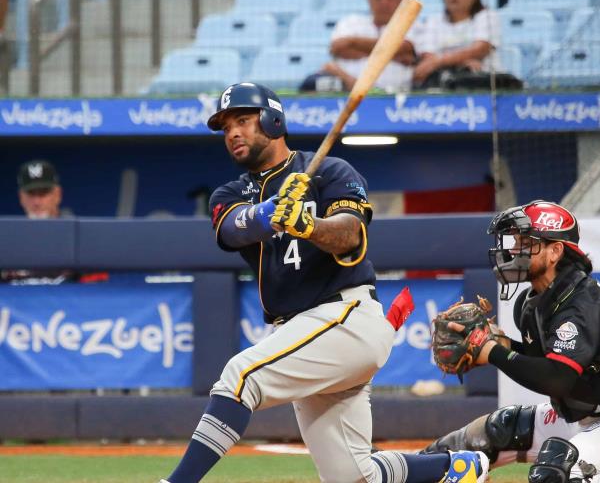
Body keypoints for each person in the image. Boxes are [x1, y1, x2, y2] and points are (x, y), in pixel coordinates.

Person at [161, 82, 488, 483]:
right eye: (226, 126)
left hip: (346, 317)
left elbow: (350, 235)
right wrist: (268, 213)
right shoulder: (230, 193)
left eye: (243, 120)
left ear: (272, 120)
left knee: (240, 377)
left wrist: (308, 224)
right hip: (302, 333)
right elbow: (232, 229)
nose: (232, 133)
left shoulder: (331, 171)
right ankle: (457, 467)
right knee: (354, 476)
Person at [423, 200, 600, 483]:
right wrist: (506, 345)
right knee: (494, 432)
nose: (513, 250)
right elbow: (548, 362)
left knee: (554, 473)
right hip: (585, 415)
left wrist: (494, 352)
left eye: (525, 242)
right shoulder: (531, 301)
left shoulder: (581, 301)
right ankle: (408, 469)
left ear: (555, 251)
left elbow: (558, 379)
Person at [302, 0, 418, 93]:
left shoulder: (411, 25)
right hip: (346, 96)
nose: (384, 2)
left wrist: (354, 44)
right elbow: (336, 48)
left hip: (398, 101)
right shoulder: (350, 22)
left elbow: (405, 49)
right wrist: (389, 53)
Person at [413, 0, 501, 88]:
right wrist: (462, 65)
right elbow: (428, 56)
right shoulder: (433, 21)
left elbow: (480, 48)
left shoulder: (487, 16)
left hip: (483, 83)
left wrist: (440, 61)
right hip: (443, 84)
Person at [1, 159, 78, 284]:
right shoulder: (7, 238)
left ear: (58, 194)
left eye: (43, 193)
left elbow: (95, 293)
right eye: (31, 194)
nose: (36, 202)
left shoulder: (77, 238)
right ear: (21, 197)